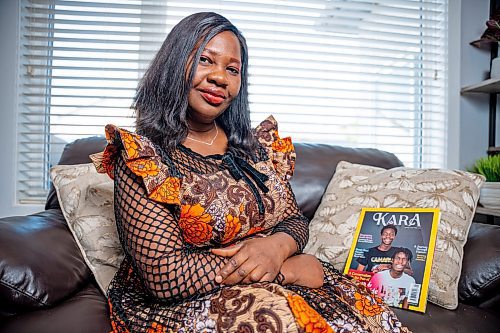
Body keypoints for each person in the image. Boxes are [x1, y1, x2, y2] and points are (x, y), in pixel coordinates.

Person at [91, 12, 411, 332]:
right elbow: (166, 276)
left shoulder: (254, 148)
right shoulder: (143, 156)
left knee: (362, 312)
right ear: (175, 64)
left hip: (261, 277)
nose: (220, 77)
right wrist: (285, 269)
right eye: (205, 60)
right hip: (185, 302)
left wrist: (274, 248)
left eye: (233, 69)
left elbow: (294, 221)